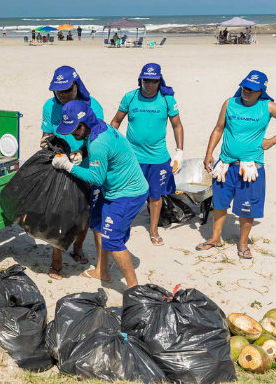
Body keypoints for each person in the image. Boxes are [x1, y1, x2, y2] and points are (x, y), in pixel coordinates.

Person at [197, 70, 276, 259]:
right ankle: (215, 238)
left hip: (250, 168)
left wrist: (272, 141)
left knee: (247, 207)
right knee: (219, 203)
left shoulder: (267, 106)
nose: (247, 91)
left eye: (252, 89)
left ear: (261, 90)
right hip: (225, 165)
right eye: (245, 87)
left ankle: (243, 243)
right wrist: (209, 153)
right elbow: (218, 128)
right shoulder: (230, 103)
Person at [52, 101, 149, 287]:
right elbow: (95, 154)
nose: (72, 134)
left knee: (112, 240)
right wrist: (81, 152)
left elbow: (96, 178)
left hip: (128, 194)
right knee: (97, 223)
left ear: (85, 123)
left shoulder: (99, 143)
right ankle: (101, 271)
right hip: (109, 188)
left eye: (74, 129)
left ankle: (134, 289)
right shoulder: (98, 126)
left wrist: (67, 166)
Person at [40, 66, 105, 279]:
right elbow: (46, 134)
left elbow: (97, 137)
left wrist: (80, 152)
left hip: (85, 166)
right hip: (59, 165)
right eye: (58, 91)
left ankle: (78, 247)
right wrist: (46, 143)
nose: (62, 95)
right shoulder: (50, 106)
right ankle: (56, 258)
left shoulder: (93, 106)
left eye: (66, 90)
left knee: (85, 214)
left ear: (76, 86)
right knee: (58, 214)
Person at [110, 63, 184, 246]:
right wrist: (112, 145)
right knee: (126, 192)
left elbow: (177, 125)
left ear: (159, 81)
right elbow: (116, 121)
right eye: (146, 80)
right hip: (132, 156)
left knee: (155, 196)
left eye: (153, 81)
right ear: (140, 80)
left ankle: (153, 230)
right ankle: (123, 226)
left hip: (158, 157)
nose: (149, 84)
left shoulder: (167, 100)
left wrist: (180, 151)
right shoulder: (130, 97)